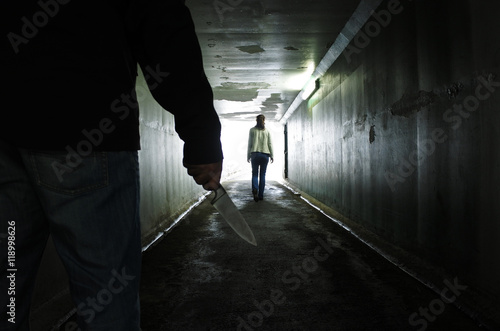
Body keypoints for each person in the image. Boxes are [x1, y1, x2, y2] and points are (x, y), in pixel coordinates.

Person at [0, 1, 222, 330]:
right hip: (84, 130)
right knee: (106, 297)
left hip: (7, 135)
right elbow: (160, 23)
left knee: (9, 283)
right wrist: (200, 133)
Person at [247, 114, 274, 202]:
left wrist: (248, 156)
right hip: (265, 155)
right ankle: (261, 195)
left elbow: (250, 144)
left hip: (254, 154)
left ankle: (255, 188)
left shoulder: (252, 130)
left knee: (255, 174)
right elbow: (270, 144)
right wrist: (272, 155)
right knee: (262, 175)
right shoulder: (267, 131)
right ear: (264, 121)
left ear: (256, 120)